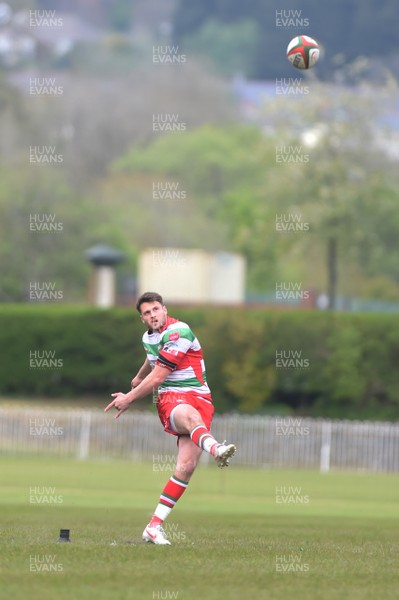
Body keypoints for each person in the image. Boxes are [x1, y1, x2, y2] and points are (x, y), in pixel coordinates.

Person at [104, 291, 236, 545]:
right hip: (171, 399)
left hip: (201, 399)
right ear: (142, 319)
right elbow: (154, 364)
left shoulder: (179, 332)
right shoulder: (149, 336)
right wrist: (140, 376)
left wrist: (129, 396)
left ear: (164, 309)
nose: (152, 315)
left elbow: (159, 372)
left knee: (186, 467)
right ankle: (217, 450)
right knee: (189, 416)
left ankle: (153, 527)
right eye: (146, 313)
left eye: (155, 309)